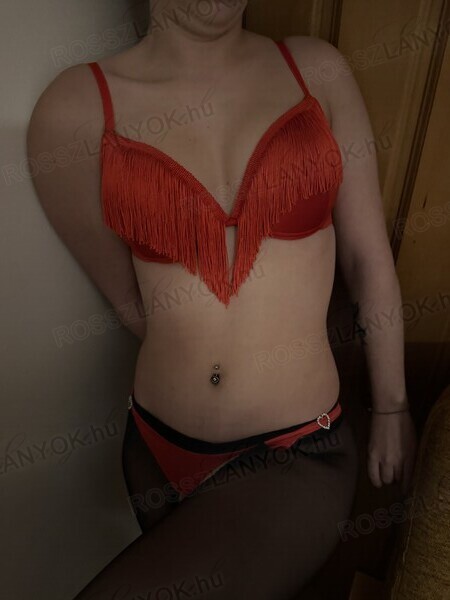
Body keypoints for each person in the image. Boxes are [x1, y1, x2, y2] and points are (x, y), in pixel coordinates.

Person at [26, 1, 417, 598]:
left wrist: (392, 406)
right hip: (156, 448)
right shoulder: (75, 108)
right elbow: (132, 302)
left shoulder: (316, 71)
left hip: (299, 450)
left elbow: (368, 261)